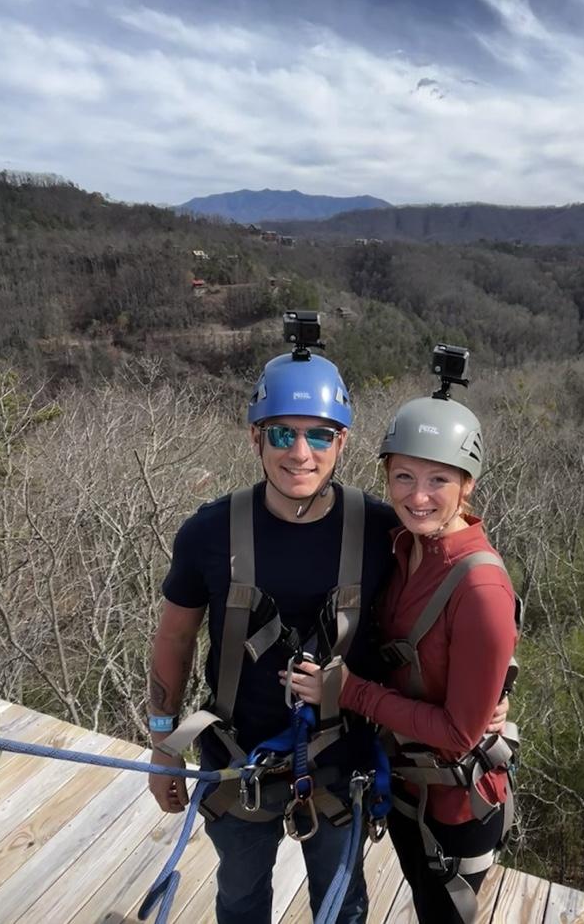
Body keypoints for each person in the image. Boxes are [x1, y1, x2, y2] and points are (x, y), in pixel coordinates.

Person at [146, 347, 398, 924]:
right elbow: (175, 638)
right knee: (239, 899)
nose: (301, 454)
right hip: (238, 762)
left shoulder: (381, 530)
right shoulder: (210, 533)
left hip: (342, 763)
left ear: (344, 443)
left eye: (321, 436)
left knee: (342, 908)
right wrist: (164, 743)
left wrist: (489, 694)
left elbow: (449, 593)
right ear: (255, 438)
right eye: (283, 434)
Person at [290, 394, 519, 924]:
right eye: (403, 477)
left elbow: (459, 733)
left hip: (457, 801)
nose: (418, 496)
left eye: (439, 480)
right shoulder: (404, 545)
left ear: (468, 485)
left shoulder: (480, 587)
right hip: (406, 787)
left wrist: (349, 691)